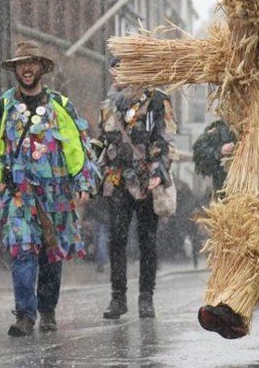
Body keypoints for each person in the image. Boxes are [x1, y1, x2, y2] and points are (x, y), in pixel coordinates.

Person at [0, 41, 98, 336]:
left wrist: (84, 183)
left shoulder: (61, 107)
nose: (26, 68)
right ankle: (25, 314)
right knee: (22, 250)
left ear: (41, 67)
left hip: (55, 194)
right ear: (15, 69)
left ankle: (47, 310)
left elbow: (79, 147)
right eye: (20, 64)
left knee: (50, 255)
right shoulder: (2, 107)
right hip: (16, 194)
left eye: (31, 62)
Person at [99, 56, 176, 320]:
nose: (115, 73)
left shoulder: (155, 99)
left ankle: (146, 297)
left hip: (145, 180)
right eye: (113, 68)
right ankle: (118, 297)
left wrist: (158, 171)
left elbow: (164, 137)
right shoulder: (109, 102)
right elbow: (103, 140)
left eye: (120, 68)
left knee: (147, 240)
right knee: (117, 239)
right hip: (117, 179)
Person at [192, 119, 236, 196]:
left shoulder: (258, 129)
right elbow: (199, 153)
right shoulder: (220, 128)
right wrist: (218, 151)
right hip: (223, 193)